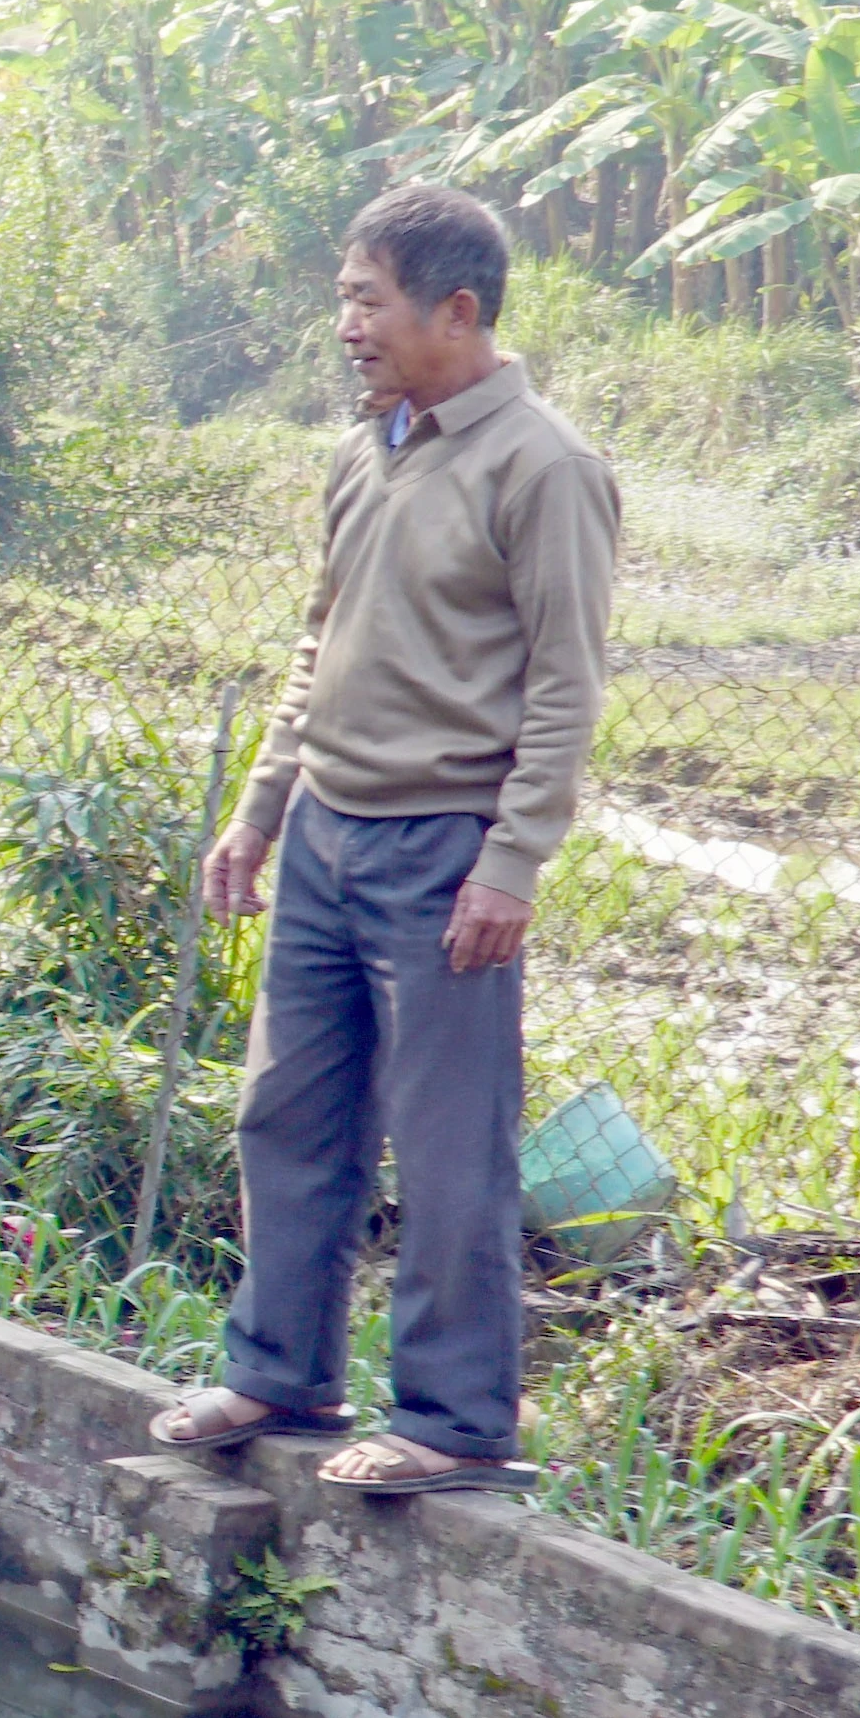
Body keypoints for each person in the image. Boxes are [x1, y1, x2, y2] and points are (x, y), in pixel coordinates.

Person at [152, 183, 619, 1499]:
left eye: (369, 299)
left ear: (455, 312)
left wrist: (512, 862)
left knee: (448, 1138)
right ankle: (280, 1368)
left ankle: (458, 1421)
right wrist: (263, 803)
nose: (346, 324)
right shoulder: (368, 447)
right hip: (328, 834)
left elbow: (566, 687)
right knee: (287, 1115)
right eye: (344, 297)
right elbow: (320, 638)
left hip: (443, 847)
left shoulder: (544, 468)